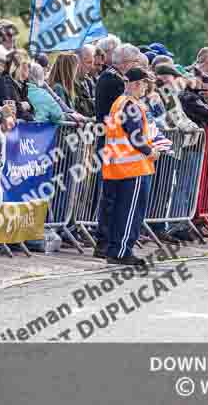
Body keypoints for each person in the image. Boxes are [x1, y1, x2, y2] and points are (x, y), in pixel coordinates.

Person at [99, 67, 157, 266]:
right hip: (133, 167)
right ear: (136, 84)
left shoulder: (119, 103)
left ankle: (115, 249)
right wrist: (151, 152)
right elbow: (135, 136)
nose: (145, 89)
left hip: (117, 166)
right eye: (144, 84)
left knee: (119, 211)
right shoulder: (131, 104)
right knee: (131, 212)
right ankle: (122, 251)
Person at [92, 43, 142, 258]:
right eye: (133, 63)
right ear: (125, 62)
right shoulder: (111, 80)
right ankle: (104, 240)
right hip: (111, 143)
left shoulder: (114, 78)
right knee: (110, 196)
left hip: (117, 144)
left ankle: (113, 239)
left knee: (117, 196)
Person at [0, 50, 34, 121]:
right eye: (27, 65)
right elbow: (13, 111)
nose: (29, 68)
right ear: (16, 66)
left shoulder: (23, 84)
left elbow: (32, 107)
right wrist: (22, 106)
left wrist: (26, 106)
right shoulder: (4, 82)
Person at [73, 45, 96, 117]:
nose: (92, 67)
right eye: (89, 62)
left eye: (92, 62)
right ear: (77, 62)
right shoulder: (68, 82)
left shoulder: (88, 80)